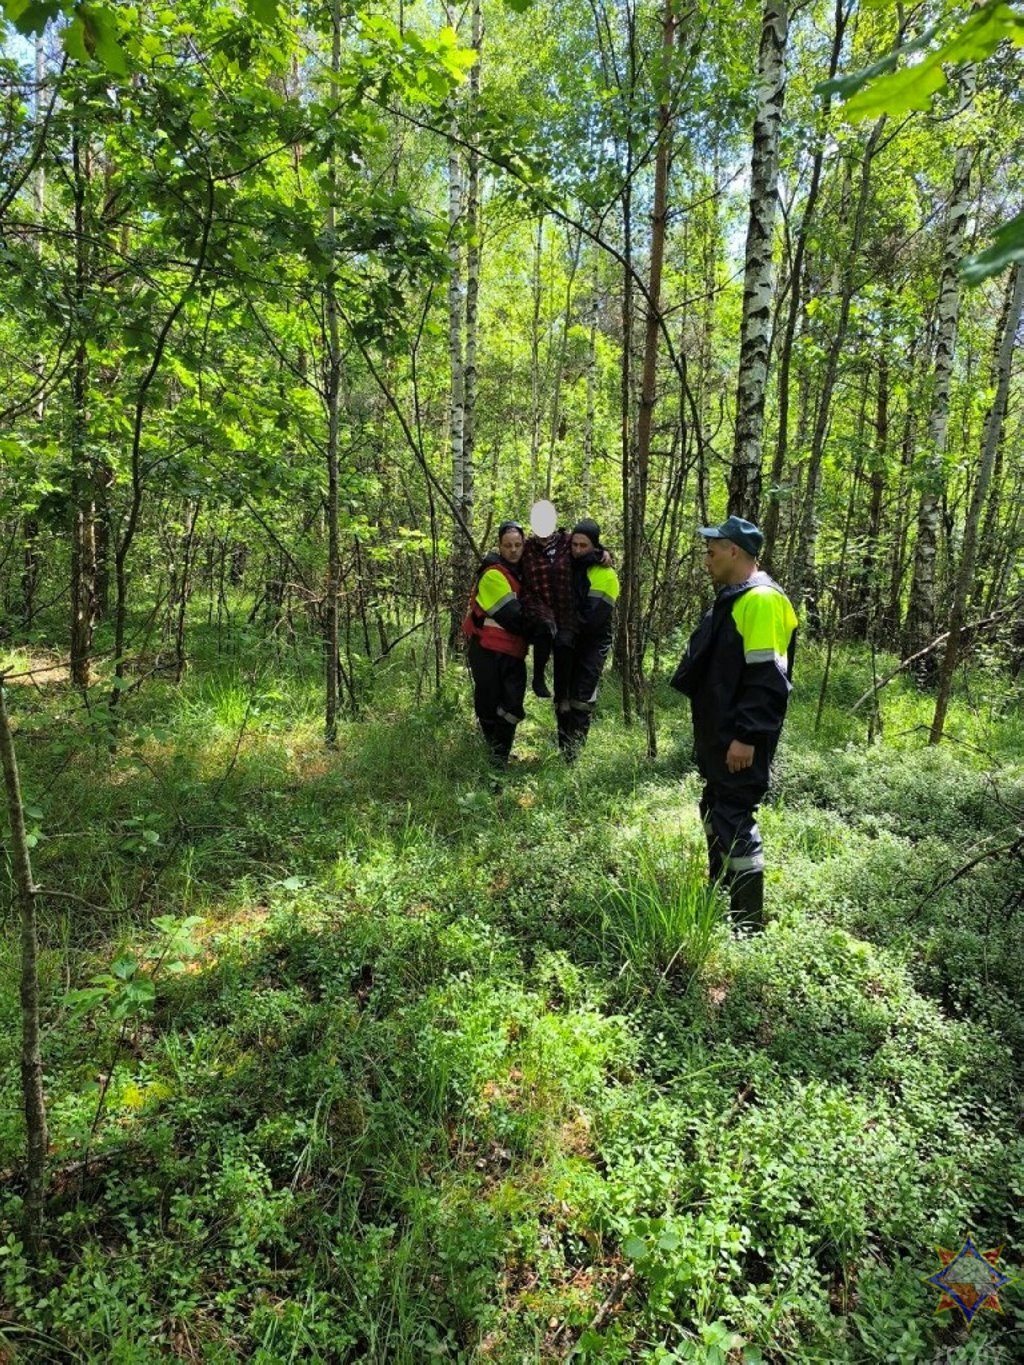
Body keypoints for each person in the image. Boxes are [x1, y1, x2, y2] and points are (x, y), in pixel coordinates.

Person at [669, 515, 798, 930]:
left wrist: (747, 737)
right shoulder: (737, 597)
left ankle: (747, 925)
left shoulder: (761, 600)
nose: (707, 559)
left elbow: (767, 678)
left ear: (734, 551)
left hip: (740, 740)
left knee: (734, 816)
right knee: (715, 809)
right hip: (721, 735)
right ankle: (720, 895)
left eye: (712, 551)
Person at [462, 521, 531, 768]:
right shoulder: (493, 574)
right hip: (487, 651)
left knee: (512, 706)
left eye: (518, 545)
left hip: (513, 652)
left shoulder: (525, 571)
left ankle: (499, 755)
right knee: (489, 703)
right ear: (499, 547)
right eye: (508, 545)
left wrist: (601, 553)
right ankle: (496, 758)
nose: (513, 550)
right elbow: (513, 616)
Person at [556, 518, 620, 760]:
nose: (577, 550)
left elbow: (592, 619)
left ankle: (574, 754)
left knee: (581, 698)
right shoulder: (565, 567)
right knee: (562, 697)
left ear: (595, 545)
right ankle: (564, 750)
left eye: (583, 546)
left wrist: (562, 623)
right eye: (574, 545)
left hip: (592, 643)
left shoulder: (605, 575)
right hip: (566, 641)